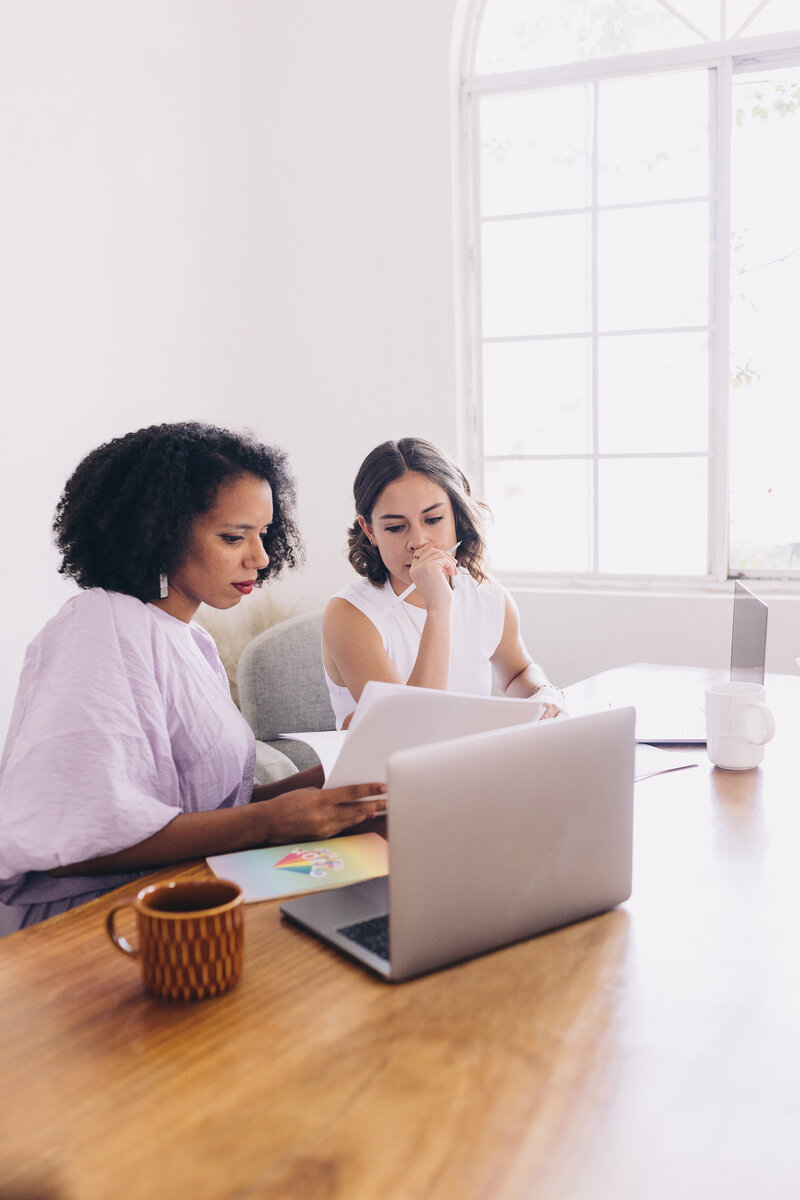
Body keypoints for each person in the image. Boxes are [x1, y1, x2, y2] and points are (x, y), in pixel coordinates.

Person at [0, 422, 385, 929]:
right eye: (233, 537)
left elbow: (191, 810)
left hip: (184, 886)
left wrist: (321, 785)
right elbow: (75, 840)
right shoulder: (98, 626)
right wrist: (268, 822)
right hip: (97, 921)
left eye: (264, 533)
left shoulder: (189, 638)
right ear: (156, 531)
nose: (261, 557)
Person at [322, 436, 565, 729]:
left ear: (456, 516)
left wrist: (545, 692)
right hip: (388, 773)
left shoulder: (486, 595)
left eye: (434, 519)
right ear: (370, 530)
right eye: (396, 527)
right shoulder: (349, 616)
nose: (418, 541)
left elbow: (517, 672)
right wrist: (439, 606)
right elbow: (412, 729)